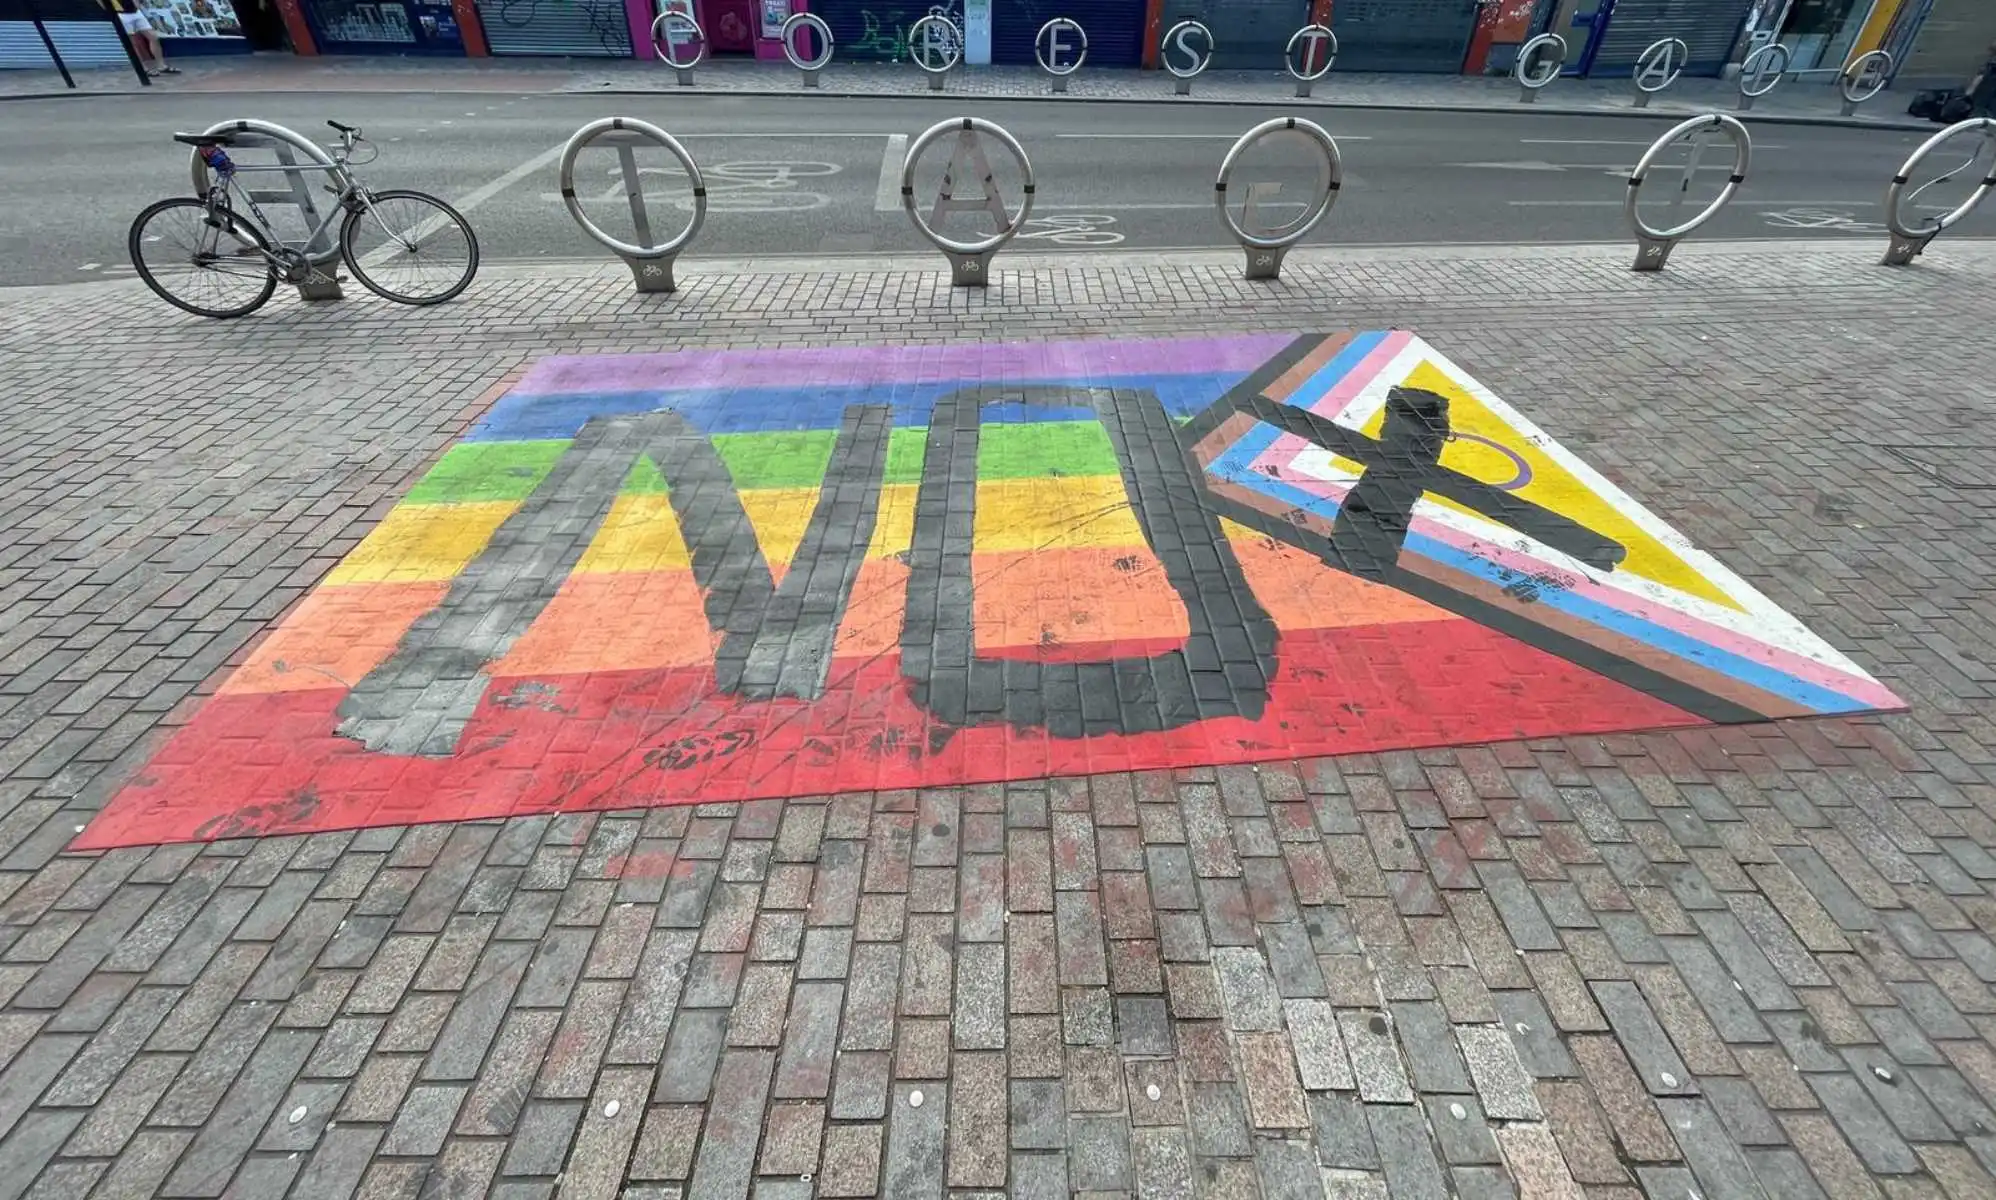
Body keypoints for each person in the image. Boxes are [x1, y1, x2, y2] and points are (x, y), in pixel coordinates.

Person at [102, 0, 180, 75]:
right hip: (121, 14)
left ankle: (161, 66)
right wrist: (110, 12)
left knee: (153, 37)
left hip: (135, 11)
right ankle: (143, 68)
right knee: (133, 43)